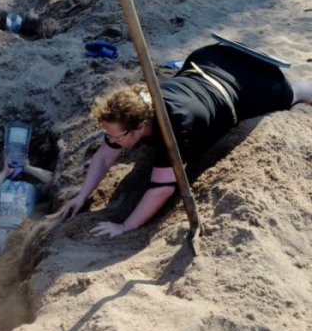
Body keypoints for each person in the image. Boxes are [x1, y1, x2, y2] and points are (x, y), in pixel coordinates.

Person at [56, 43, 312, 239]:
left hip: (253, 83)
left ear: (140, 126)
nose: (110, 140)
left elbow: (162, 188)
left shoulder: (175, 127)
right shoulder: (140, 105)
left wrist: (125, 226)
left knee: (295, 92)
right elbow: (104, 155)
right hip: (209, 58)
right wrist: (81, 196)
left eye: (115, 136)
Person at [0, 132, 53, 257]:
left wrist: (28, 168)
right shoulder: (1, 184)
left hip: (21, 233)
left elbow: (54, 180)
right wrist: (5, 172)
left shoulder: (34, 188)